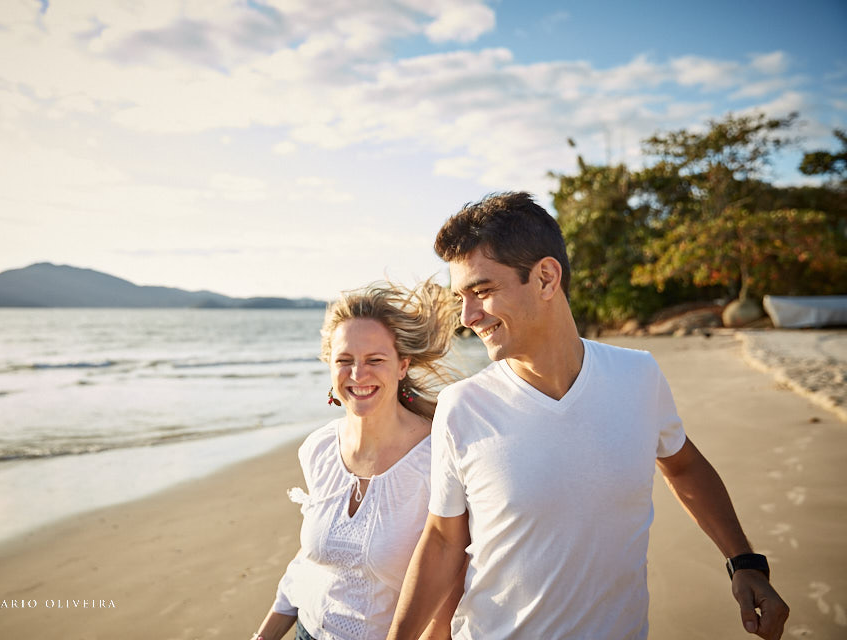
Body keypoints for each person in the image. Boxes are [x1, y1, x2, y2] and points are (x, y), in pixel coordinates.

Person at [386, 192, 790, 640]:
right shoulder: (463, 407)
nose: (468, 316)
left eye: (482, 291)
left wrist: (744, 563)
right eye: (461, 297)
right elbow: (443, 540)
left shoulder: (638, 376)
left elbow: (684, 465)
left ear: (545, 278)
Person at [252, 281, 464, 640]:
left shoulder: (439, 455)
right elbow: (310, 561)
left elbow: (449, 589)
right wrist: (264, 635)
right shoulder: (319, 448)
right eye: (344, 360)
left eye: (374, 360)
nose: (357, 374)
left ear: (402, 366)